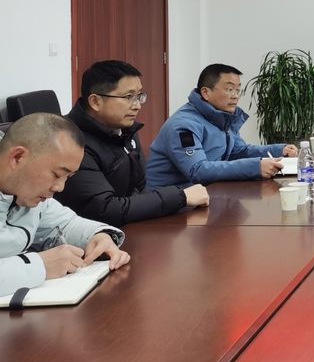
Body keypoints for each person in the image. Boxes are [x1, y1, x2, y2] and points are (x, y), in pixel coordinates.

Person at [55, 60, 209, 226]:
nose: (137, 106)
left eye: (139, 96)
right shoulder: (72, 142)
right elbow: (104, 210)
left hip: (127, 226)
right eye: (128, 97)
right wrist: (180, 197)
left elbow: (138, 188)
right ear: (95, 102)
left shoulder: (125, 131)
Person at [0, 113, 130, 297]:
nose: (60, 187)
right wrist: (40, 266)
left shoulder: (26, 193)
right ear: (17, 157)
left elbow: (66, 223)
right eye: (56, 174)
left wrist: (98, 236)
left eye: (67, 177)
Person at [146, 64, 298, 188]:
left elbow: (238, 151)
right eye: (229, 89)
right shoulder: (183, 126)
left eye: (238, 90)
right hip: (172, 204)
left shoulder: (221, 117)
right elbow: (197, 170)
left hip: (205, 193)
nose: (235, 95)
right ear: (206, 93)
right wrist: (256, 167)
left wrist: (280, 150)